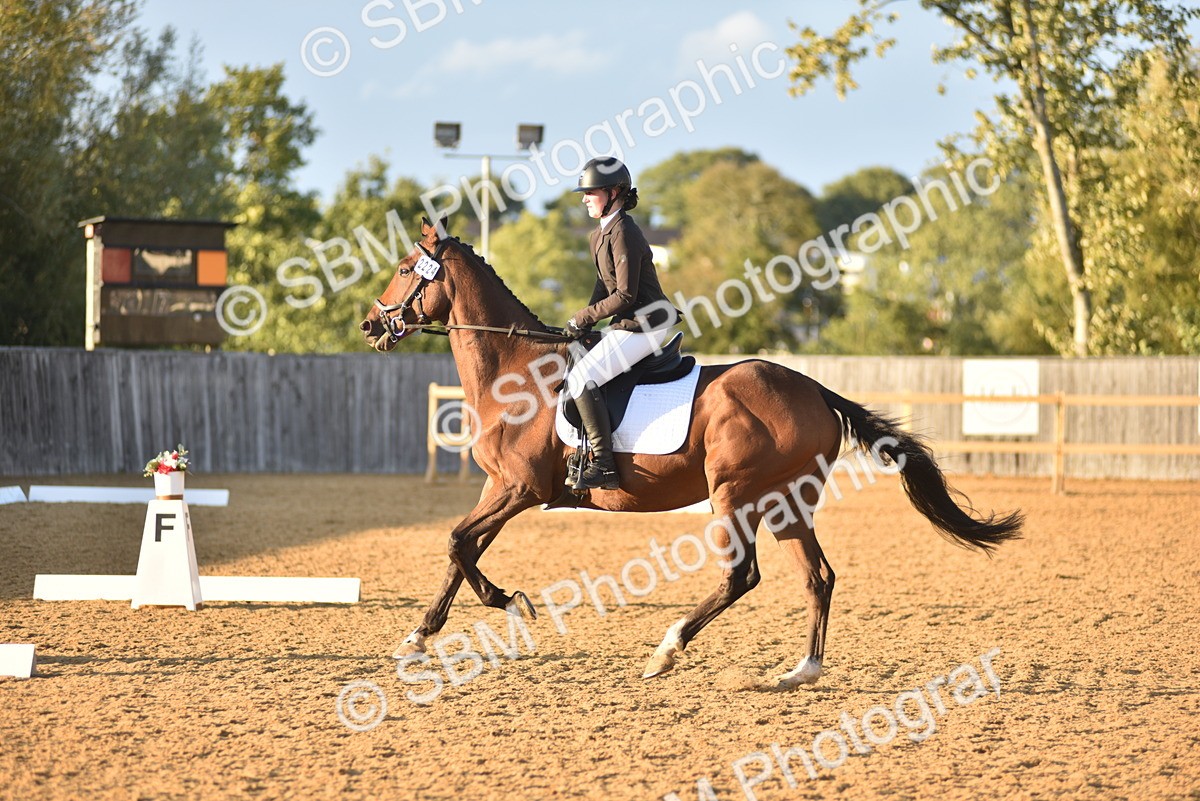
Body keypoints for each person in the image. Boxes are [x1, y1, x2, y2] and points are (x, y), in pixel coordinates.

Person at [564, 157, 678, 491]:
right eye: (583, 193)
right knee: (577, 358)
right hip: (626, 323)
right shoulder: (599, 235)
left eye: (591, 192)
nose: (584, 198)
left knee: (583, 379)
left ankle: (604, 464)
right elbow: (603, 287)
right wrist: (581, 324)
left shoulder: (625, 231)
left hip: (647, 323)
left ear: (614, 193)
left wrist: (583, 318)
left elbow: (625, 295)